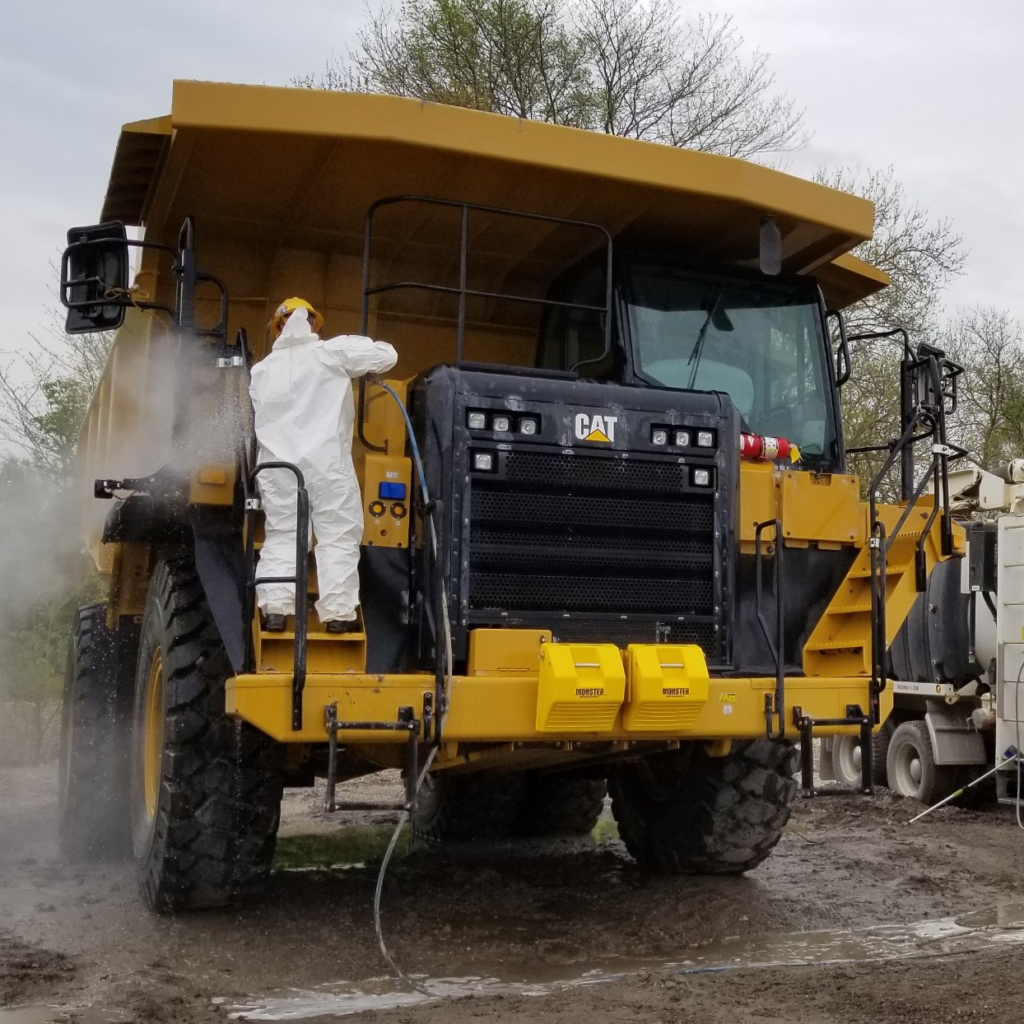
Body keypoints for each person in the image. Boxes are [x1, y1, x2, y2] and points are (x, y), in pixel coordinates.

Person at [249, 297, 398, 633]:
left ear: (277, 330)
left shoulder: (260, 372)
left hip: (277, 468)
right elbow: (387, 356)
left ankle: (275, 610)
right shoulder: (331, 353)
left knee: (284, 532)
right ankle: (337, 615)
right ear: (314, 324)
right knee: (337, 534)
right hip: (326, 463)